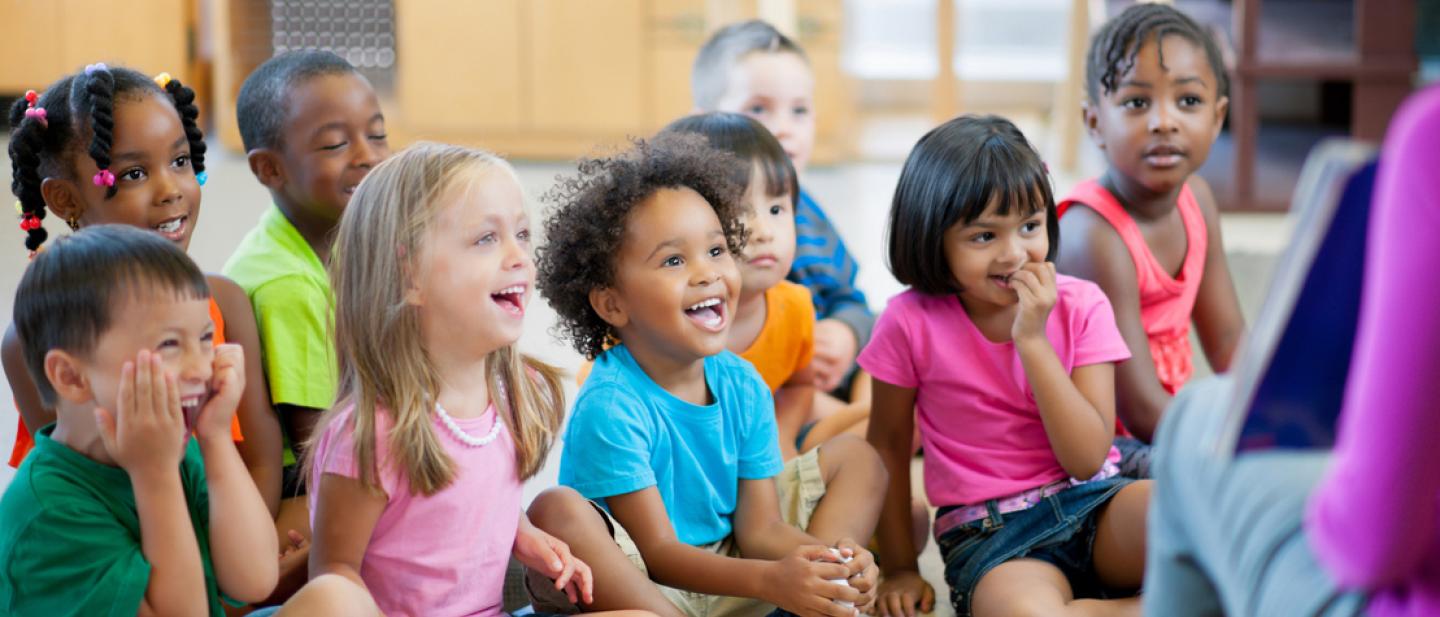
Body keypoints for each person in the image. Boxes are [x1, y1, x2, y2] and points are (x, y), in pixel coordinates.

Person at [527, 132, 886, 617]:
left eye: (717, 251)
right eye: (674, 260)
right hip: (650, 589)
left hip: (736, 572)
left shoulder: (742, 383)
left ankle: (817, 598)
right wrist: (771, 580)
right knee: (557, 509)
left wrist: (817, 565)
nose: (707, 273)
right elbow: (660, 555)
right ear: (613, 303)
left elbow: (759, 530)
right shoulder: (611, 404)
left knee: (859, 458)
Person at [866, 116, 1149, 617]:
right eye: (983, 236)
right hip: (992, 538)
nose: (1015, 253)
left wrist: (1033, 341)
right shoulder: (907, 322)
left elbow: (1086, 459)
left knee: (1198, 520)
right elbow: (887, 447)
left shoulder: (1082, 304)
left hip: (1094, 501)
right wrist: (902, 567)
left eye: (1030, 226)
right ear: (932, 235)